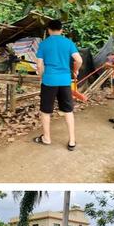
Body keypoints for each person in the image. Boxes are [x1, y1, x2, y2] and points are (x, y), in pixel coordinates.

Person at [34, 19, 83, 151]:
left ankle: (47, 138)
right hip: (65, 81)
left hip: (49, 81)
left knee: (45, 111)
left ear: (48, 30)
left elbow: (39, 65)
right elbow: (78, 59)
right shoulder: (68, 43)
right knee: (68, 110)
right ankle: (72, 140)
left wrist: (41, 76)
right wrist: (75, 69)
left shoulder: (44, 44)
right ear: (61, 30)